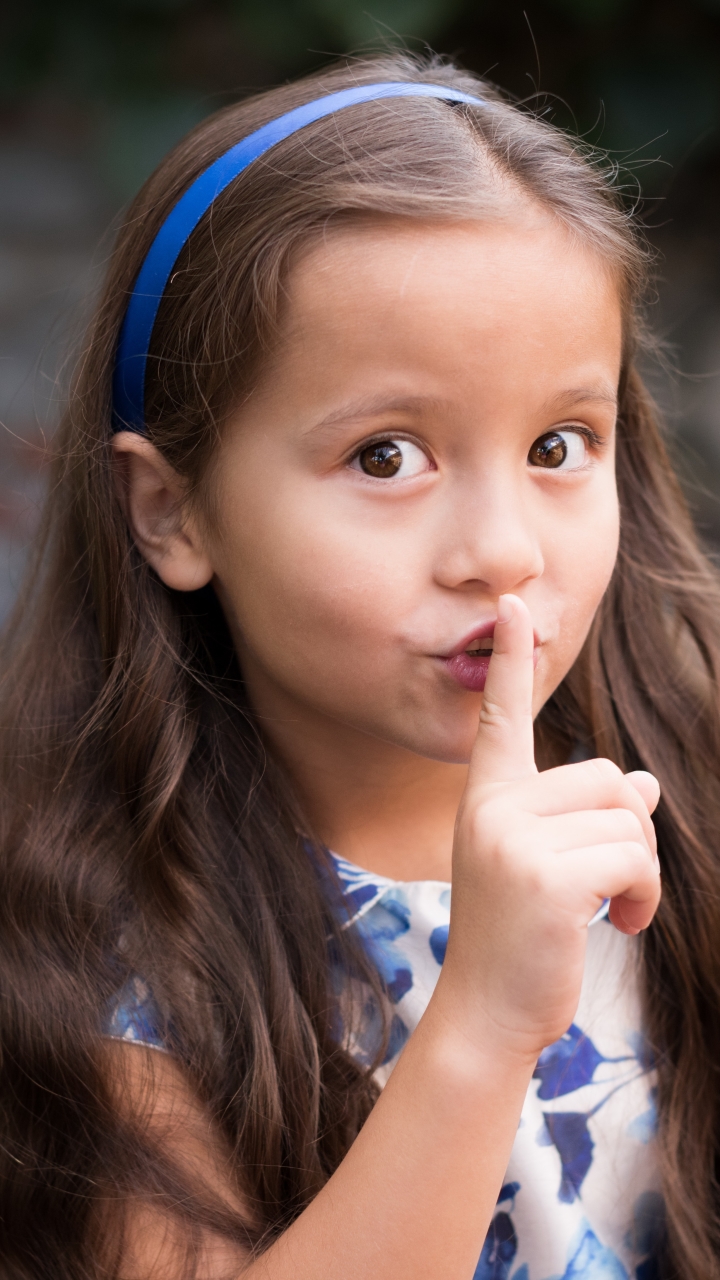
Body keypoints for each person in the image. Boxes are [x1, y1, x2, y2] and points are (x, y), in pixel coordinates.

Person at [1, 48, 719, 1280]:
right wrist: (484, 1022)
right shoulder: (97, 955)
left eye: (560, 441)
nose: (502, 553)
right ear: (173, 512)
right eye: (387, 457)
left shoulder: (692, 794)